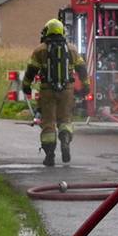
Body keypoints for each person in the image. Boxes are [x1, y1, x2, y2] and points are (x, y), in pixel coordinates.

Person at [22, 19, 88, 166]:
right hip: (67, 90)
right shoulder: (71, 49)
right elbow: (82, 69)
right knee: (65, 119)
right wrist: (86, 85)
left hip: (47, 90)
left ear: (46, 32)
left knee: (48, 123)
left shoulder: (40, 50)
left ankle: (50, 155)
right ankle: (65, 139)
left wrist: (26, 85)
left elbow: (31, 70)